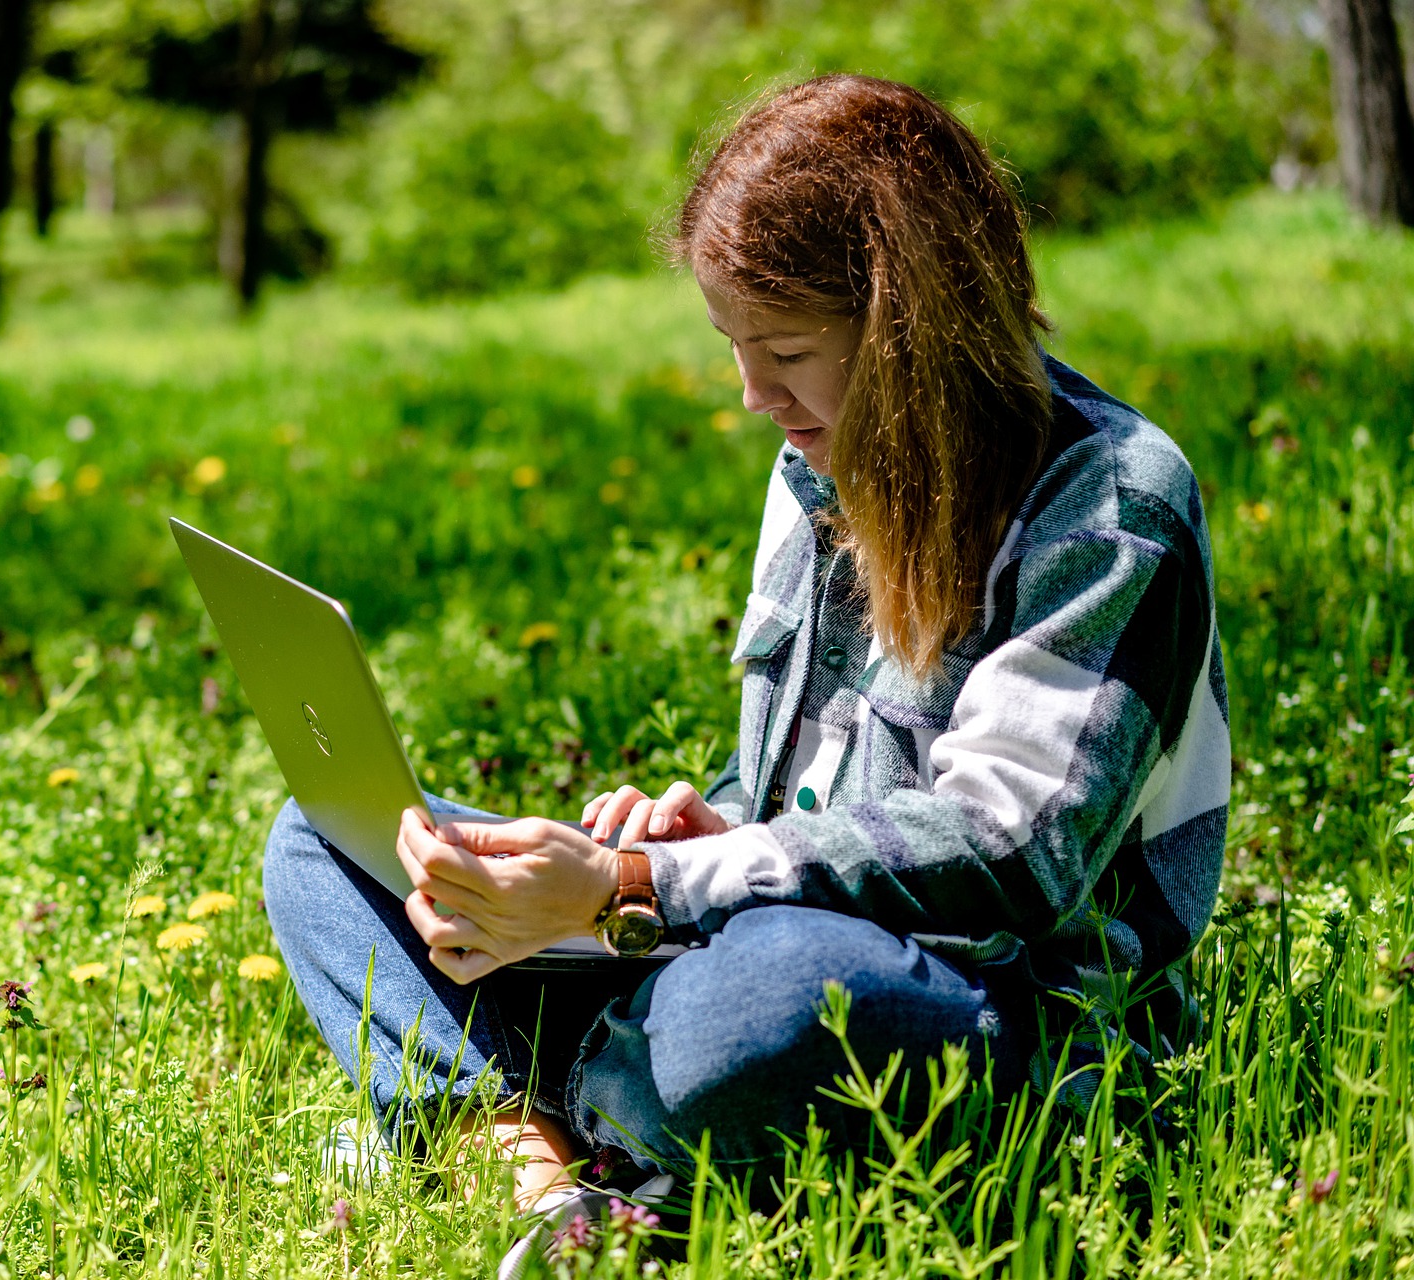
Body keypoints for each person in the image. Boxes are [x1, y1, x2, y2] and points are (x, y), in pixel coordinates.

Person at [263, 73, 1229, 1272]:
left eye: (784, 350)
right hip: (739, 940)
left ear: (912, 328)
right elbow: (806, 803)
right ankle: (538, 1153)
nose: (751, 395)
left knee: (770, 1000)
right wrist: (698, 825)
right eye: (734, 346)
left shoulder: (1112, 504)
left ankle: (542, 1106)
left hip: (1005, 1014)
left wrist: (634, 882)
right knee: (327, 842)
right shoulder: (818, 465)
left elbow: (1011, 853)